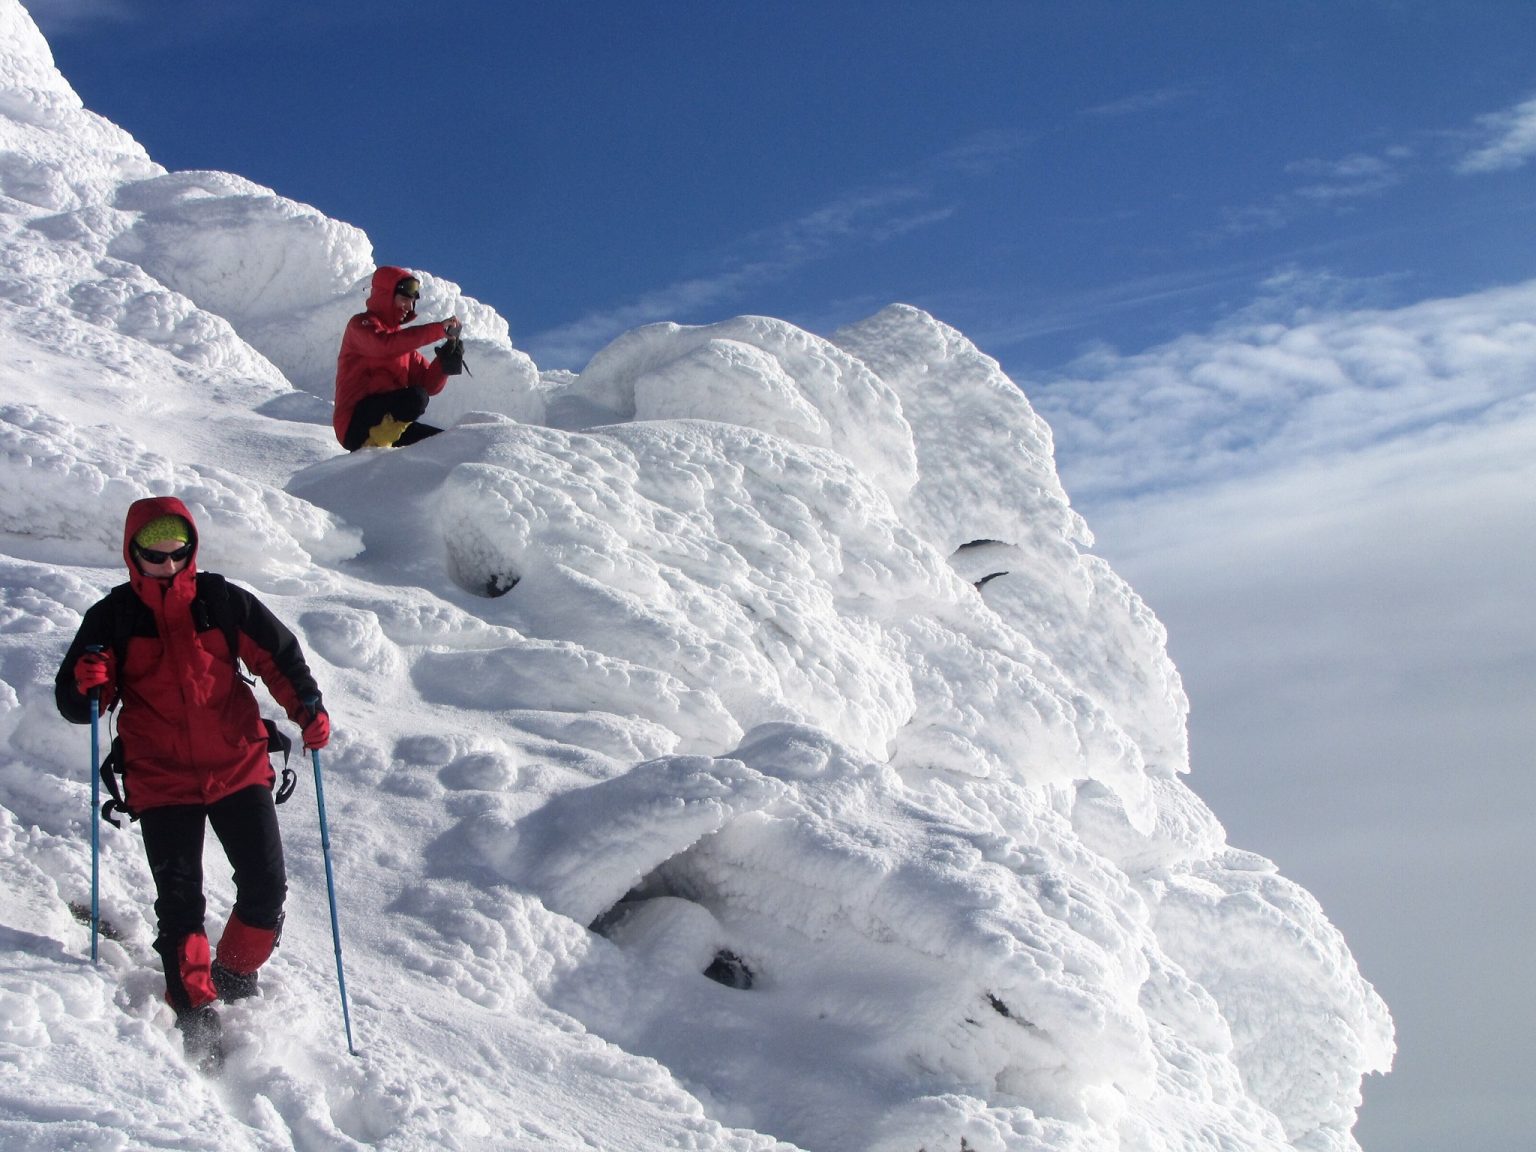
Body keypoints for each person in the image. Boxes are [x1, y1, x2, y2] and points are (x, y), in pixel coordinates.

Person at [55, 497, 330, 1070]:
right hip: (161, 778)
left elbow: (280, 658)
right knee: (180, 902)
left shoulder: (221, 601)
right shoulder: (112, 616)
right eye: (154, 558)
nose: (168, 566)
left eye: (178, 554)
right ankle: (194, 1008)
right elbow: (78, 704)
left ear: (191, 549)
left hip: (237, 761)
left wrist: (306, 707)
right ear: (133, 555)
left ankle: (231, 972)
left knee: (265, 887)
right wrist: (87, 683)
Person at [333, 265, 465, 450]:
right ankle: (376, 444)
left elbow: (429, 386)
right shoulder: (360, 326)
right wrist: (437, 330)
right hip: (354, 423)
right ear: (386, 296)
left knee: (445, 444)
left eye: (412, 302)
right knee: (414, 397)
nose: (409, 307)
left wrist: (444, 362)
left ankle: (384, 443)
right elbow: (383, 346)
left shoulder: (403, 346)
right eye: (404, 299)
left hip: (387, 424)